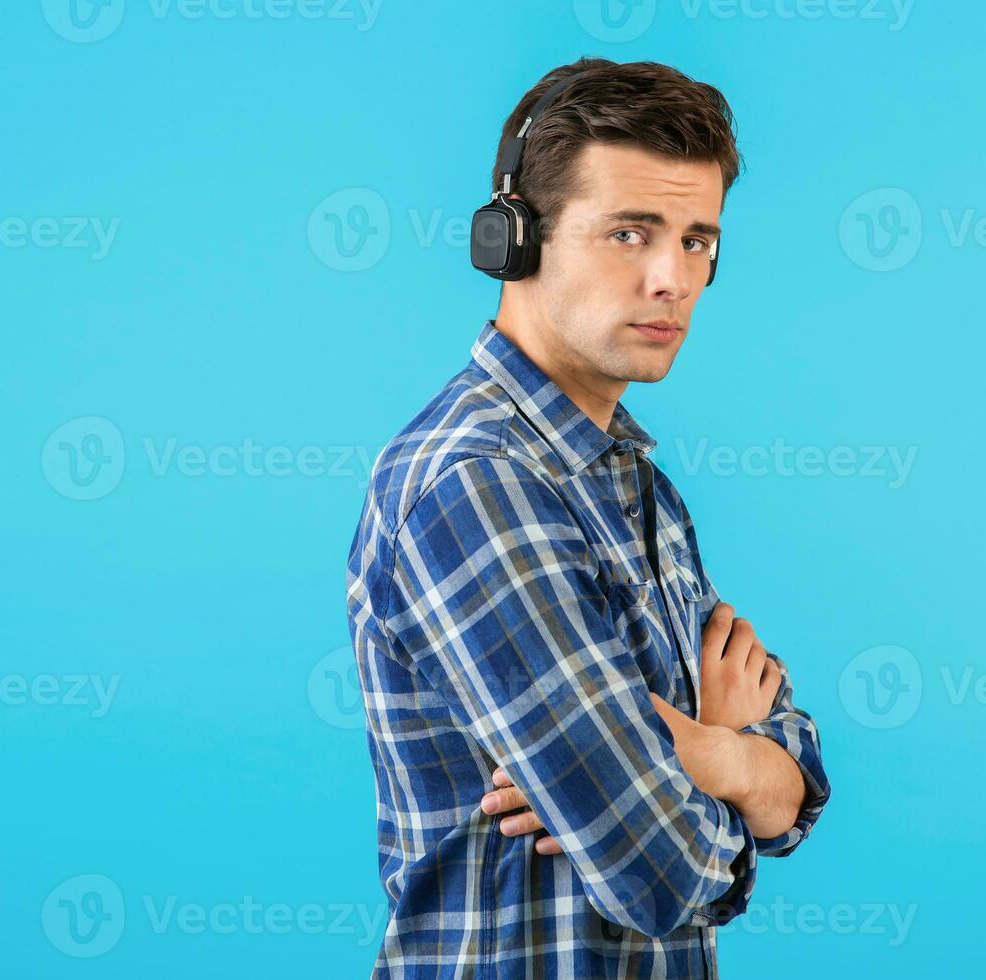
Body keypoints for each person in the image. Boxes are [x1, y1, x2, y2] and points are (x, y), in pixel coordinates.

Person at [344, 57, 831, 979]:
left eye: (697, 240)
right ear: (515, 239)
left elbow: (798, 765)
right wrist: (723, 768)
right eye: (629, 233)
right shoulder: (474, 484)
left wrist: (709, 756)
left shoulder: (632, 478)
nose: (671, 279)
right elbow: (658, 871)